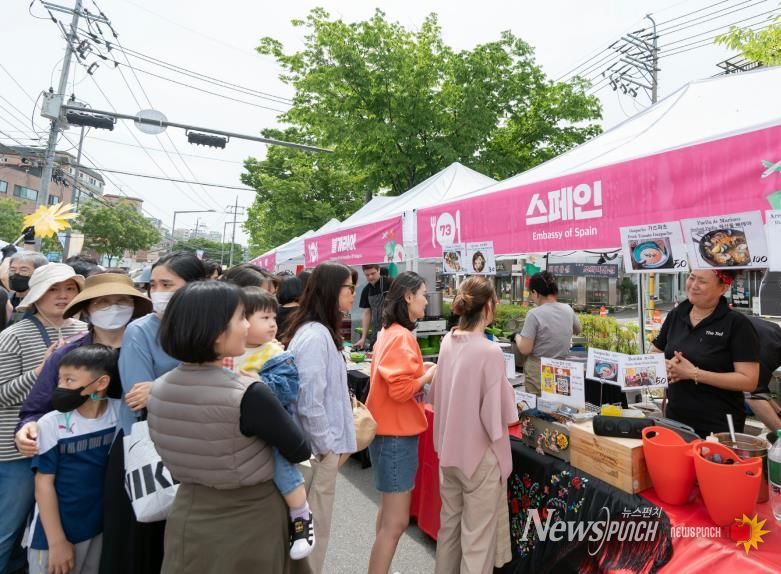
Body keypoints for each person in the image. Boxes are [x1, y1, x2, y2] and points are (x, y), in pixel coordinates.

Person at [147, 280, 311, 573]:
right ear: (217, 331)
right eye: (240, 318)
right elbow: (299, 449)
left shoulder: (159, 388)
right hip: (249, 517)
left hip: (189, 512)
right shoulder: (249, 391)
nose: (247, 327)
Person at [101, 252, 207, 574]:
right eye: (154, 284)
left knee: (178, 548)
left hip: (197, 451)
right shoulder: (140, 331)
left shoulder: (210, 329)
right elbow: (137, 399)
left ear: (195, 288)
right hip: (146, 449)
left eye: (167, 284)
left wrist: (160, 387)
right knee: (137, 547)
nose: (157, 292)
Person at [0, 264, 86, 573]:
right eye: (53, 288)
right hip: (17, 451)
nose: (63, 295)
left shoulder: (83, 331)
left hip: (64, 447)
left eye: (70, 289)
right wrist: (42, 370)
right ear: (37, 294)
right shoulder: (14, 336)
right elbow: (2, 395)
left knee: (44, 526)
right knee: (7, 529)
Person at [430, 276, 518, 573]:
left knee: (450, 531)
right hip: (479, 456)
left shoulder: (447, 341)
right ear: (489, 306)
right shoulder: (489, 351)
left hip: (448, 449)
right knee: (477, 542)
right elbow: (498, 418)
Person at [15, 273, 152, 455]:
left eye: (122, 301)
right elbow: (36, 408)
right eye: (102, 302)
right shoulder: (67, 354)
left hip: (140, 448)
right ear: (86, 310)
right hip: (81, 453)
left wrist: (158, 389)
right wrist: (28, 428)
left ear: (133, 306)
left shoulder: (153, 350)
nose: (113, 308)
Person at [225, 287, 315, 560]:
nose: (273, 324)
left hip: (272, 427)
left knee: (280, 464)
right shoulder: (229, 350)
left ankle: (301, 516)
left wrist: (251, 384)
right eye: (264, 318)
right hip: (237, 428)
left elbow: (286, 390)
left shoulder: (276, 354)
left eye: (273, 318)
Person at [282, 262, 358, 574]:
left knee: (314, 531)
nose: (354, 294)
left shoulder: (318, 332)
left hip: (317, 452)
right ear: (331, 291)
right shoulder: (315, 336)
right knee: (314, 533)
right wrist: (325, 446)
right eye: (349, 288)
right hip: (316, 454)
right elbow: (309, 400)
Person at [365, 271, 437, 574]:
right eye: (422, 293)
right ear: (408, 296)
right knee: (395, 523)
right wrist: (429, 374)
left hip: (386, 433)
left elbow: (396, 381)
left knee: (387, 518)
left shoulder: (388, 331)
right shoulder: (401, 336)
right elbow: (401, 390)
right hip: (395, 436)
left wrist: (421, 371)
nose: (426, 300)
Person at [28, 345, 120, 574]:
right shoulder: (50, 423)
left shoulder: (119, 413)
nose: (60, 387)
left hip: (96, 529)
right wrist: (57, 541)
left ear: (101, 383)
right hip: (53, 535)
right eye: (60, 380)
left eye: (69, 380)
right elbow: (43, 484)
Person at [652, 270, 760, 437]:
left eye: (702, 281)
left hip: (718, 426)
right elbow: (655, 353)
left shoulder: (737, 324)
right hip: (676, 420)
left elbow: (749, 381)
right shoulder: (676, 314)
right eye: (691, 278)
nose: (693, 285)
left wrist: (694, 373)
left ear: (723, 288)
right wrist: (665, 367)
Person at [513, 271, 581, 395]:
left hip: (538, 370)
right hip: (561, 369)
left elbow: (525, 349)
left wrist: (517, 336)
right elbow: (578, 329)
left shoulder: (534, 314)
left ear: (535, 292)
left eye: (531, 293)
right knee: (558, 408)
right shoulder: (568, 309)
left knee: (537, 410)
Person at [744, 316, 781, 432]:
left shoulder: (774, 333)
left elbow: (759, 389)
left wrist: (779, 412)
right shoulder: (767, 351)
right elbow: (754, 396)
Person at [354, 264, 391, 350]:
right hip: (376, 331)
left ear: (378, 270)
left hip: (390, 330)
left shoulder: (389, 283)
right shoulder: (366, 290)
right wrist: (363, 338)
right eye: (367, 275)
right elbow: (367, 313)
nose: (370, 277)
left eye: (373, 273)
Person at [7, 251, 50, 323]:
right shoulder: (6, 300)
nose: (16, 273)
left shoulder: (45, 305)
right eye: (12, 270)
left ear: (39, 273)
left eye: (23, 270)